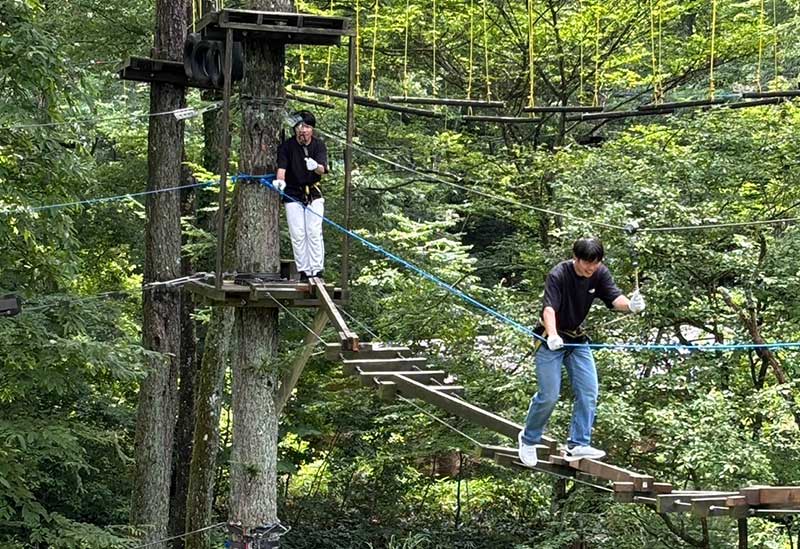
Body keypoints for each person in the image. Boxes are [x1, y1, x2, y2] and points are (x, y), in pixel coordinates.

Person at [518, 237, 645, 466]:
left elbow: (615, 298)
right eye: (587, 263)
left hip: (576, 340)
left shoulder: (599, 273)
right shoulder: (559, 274)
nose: (591, 268)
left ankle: (578, 445)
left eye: (595, 263)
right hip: (551, 339)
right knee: (549, 394)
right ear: (575, 258)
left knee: (589, 391)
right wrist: (554, 334)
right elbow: (549, 309)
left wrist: (631, 305)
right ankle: (528, 440)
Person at [273, 110, 328, 281]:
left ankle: (317, 270)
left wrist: (315, 166)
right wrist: (280, 181)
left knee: (313, 231)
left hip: (313, 191)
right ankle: (304, 270)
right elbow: (282, 169)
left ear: (312, 129)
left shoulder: (318, 145)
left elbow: (323, 169)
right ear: (295, 129)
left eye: (307, 127)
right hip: (292, 192)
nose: (303, 130)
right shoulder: (287, 147)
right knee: (297, 233)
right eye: (300, 127)